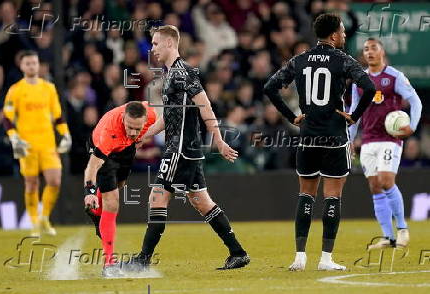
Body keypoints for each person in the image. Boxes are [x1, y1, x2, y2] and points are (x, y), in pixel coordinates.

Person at [125, 25, 249, 272]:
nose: (152, 48)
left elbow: (206, 107)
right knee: (202, 202)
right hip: (185, 149)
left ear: (170, 44)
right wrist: (143, 136)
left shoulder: (184, 73)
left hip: (180, 149)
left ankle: (142, 260)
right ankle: (238, 253)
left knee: (157, 198)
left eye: (156, 43)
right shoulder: (170, 75)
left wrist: (219, 139)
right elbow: (167, 118)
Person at [264, 13, 376, 271]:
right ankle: (326, 259)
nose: (345, 35)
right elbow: (369, 87)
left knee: (306, 194)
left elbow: (270, 87)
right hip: (335, 137)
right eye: (343, 32)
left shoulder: (300, 60)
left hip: (308, 137)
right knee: (333, 196)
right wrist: (353, 117)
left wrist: (292, 117)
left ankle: (299, 257)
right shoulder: (343, 60)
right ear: (334, 35)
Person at [349, 38, 422, 250]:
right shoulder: (359, 81)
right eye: (366, 49)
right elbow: (355, 112)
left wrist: (413, 126)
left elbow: (415, 100)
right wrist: (351, 139)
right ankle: (388, 237)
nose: (369, 52)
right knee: (374, 186)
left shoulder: (394, 76)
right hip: (369, 140)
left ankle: (402, 229)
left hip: (390, 139)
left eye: (373, 48)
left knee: (386, 180)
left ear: (381, 51)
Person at [83, 101, 156, 277]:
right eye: (129, 127)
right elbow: (92, 167)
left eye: (137, 129)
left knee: (119, 185)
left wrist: (141, 137)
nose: (132, 132)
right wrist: (89, 193)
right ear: (123, 118)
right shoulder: (110, 133)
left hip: (126, 149)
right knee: (113, 202)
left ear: (146, 120)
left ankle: (96, 213)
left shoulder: (152, 114)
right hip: (102, 152)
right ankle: (109, 265)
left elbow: (164, 122)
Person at [3, 50, 72, 236]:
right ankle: (34, 223)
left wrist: (65, 134)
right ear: (21, 66)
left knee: (54, 181)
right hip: (27, 145)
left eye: (34, 63)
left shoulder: (48, 88)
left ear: (38, 64)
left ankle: (44, 218)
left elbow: (58, 116)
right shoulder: (16, 90)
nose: (32, 66)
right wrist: (14, 137)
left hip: (47, 143)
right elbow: (7, 118)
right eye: (28, 63)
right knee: (32, 183)